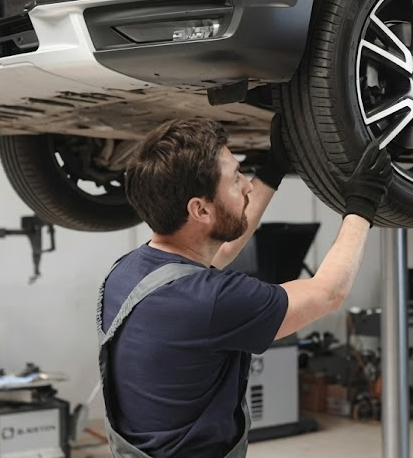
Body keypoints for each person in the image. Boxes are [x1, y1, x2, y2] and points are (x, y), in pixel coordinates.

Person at [97, 115, 392, 458]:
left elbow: (222, 250)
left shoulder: (126, 272)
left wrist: (274, 169)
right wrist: (362, 204)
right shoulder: (211, 301)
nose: (247, 186)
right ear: (200, 209)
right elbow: (328, 292)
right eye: (236, 178)